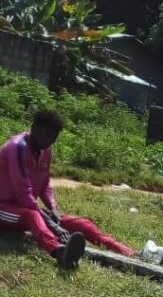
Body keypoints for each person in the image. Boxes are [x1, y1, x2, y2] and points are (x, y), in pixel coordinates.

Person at [0, 110, 136, 269]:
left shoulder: (46, 151)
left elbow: (44, 186)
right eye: (46, 135)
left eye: (54, 137)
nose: (49, 140)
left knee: (79, 223)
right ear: (34, 128)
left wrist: (53, 209)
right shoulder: (17, 147)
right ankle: (59, 251)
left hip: (24, 210)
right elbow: (24, 195)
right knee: (34, 217)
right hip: (5, 209)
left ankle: (124, 250)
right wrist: (53, 225)